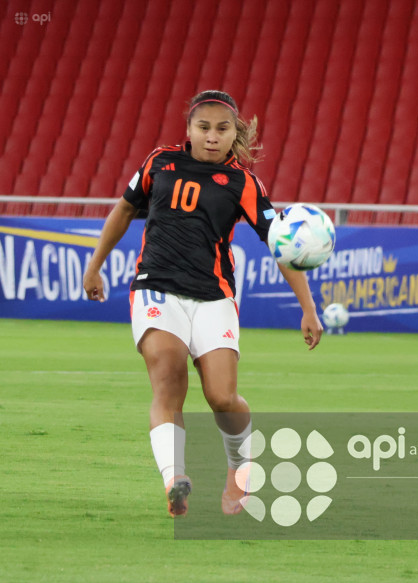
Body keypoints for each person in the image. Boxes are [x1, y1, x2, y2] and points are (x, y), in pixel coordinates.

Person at [83, 90, 323, 517]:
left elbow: (281, 246)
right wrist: (94, 265)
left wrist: (308, 307)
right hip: (156, 288)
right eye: (204, 127)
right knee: (167, 372)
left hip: (213, 298)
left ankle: (239, 466)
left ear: (235, 134)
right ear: (189, 130)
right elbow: (123, 210)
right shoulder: (159, 163)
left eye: (222, 129)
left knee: (222, 397)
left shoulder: (244, 183)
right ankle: (174, 478)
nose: (212, 137)